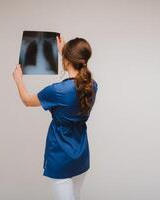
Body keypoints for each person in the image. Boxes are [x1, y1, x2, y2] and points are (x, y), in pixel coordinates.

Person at [12, 35, 98, 200]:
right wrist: (65, 53)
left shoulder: (57, 91)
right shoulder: (92, 86)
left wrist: (18, 80)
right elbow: (72, 86)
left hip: (61, 157)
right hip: (81, 155)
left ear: (66, 60)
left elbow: (27, 101)